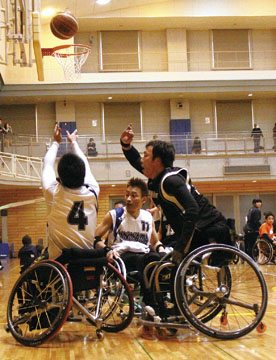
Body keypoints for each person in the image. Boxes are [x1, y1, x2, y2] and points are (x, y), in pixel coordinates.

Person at [120, 124, 232, 266]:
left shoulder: (170, 181)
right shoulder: (156, 177)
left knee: (173, 262)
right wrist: (125, 144)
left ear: (157, 161)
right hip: (192, 230)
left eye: (146, 155)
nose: (142, 159)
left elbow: (193, 209)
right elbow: (134, 160)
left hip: (209, 229)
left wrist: (181, 248)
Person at [94, 177, 165, 305]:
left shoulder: (148, 217)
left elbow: (155, 242)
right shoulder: (114, 215)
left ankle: (162, 302)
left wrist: (163, 251)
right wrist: (107, 250)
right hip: (121, 258)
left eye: (133, 196)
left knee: (158, 260)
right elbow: (94, 237)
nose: (128, 199)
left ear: (144, 199)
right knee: (147, 261)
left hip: (145, 256)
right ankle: (152, 304)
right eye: (127, 195)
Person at [42, 124, 100, 259]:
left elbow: (47, 164)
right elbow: (84, 162)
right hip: (87, 260)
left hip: (60, 262)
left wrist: (56, 143)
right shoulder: (93, 191)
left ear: (60, 178)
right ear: (83, 174)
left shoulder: (53, 192)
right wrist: (74, 142)